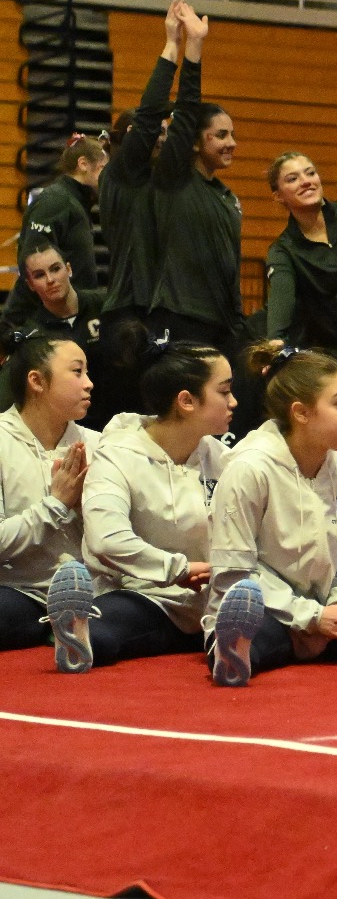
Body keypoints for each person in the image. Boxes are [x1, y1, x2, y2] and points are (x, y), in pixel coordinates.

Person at [49, 342, 235, 671]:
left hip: (213, 602)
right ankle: (76, 634)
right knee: (104, 633)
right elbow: (107, 540)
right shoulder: (117, 455)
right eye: (224, 391)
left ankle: (234, 651)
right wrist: (177, 568)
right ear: (186, 401)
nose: (233, 402)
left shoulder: (223, 459)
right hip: (143, 596)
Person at [204, 346, 337, 686]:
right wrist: (312, 617)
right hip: (266, 610)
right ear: (301, 412)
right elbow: (235, 571)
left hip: (324, 609)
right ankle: (230, 652)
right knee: (254, 639)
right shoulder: (249, 468)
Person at [95, 6, 184, 418]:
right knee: (130, 417)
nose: (161, 138)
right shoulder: (120, 173)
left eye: (167, 134)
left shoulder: (156, 182)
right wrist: (171, 47)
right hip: (130, 311)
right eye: (155, 133)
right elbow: (149, 117)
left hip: (160, 306)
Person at [146, 3, 240, 349]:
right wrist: (193, 47)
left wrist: (239, 322)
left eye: (231, 134)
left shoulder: (228, 197)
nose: (232, 143)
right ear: (196, 142)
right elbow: (185, 112)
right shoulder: (174, 178)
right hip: (178, 318)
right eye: (221, 135)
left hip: (223, 325)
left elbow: (230, 270)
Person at [264, 151, 337, 427]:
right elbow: (281, 298)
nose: (306, 181)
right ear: (278, 195)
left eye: (310, 173)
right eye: (293, 179)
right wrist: (275, 343)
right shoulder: (283, 251)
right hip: (330, 370)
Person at [0, 336, 95, 650]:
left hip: (92, 594)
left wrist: (85, 509)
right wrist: (56, 505)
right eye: (77, 372)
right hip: (18, 590)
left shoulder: (100, 443)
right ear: (36, 381)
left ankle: (66, 627)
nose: (89, 383)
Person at [4, 133, 106, 321]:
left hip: (64, 318)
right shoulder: (58, 201)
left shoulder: (75, 203)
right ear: (83, 164)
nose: (107, 180)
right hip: (41, 321)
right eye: (102, 169)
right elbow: (34, 263)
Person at [8, 238, 106, 351]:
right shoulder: (34, 335)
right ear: (30, 284)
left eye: (55, 269)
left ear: (68, 269)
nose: (50, 280)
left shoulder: (104, 305)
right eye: (39, 275)